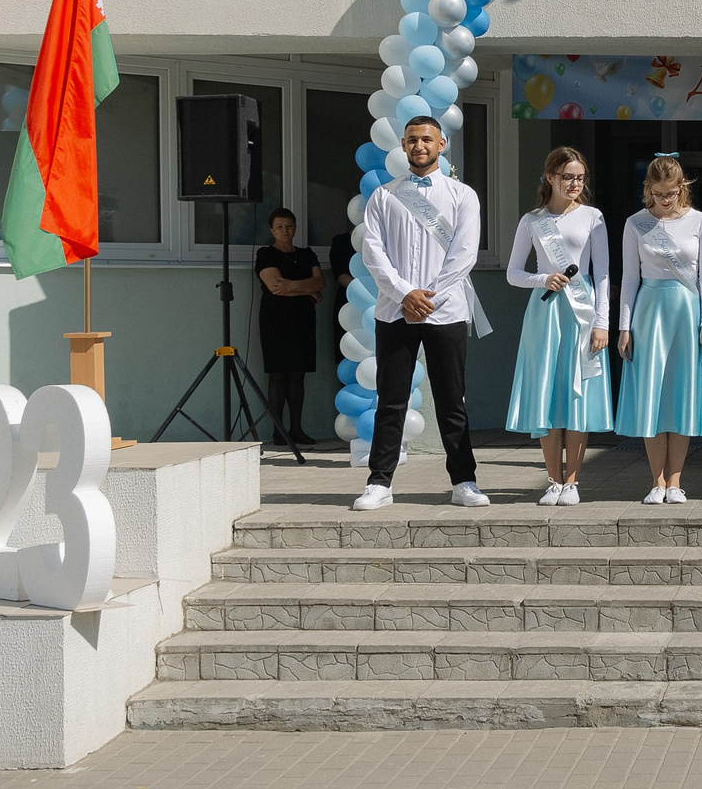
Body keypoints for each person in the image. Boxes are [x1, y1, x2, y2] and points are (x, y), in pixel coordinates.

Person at [353, 115, 486, 511]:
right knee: (390, 400)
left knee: (451, 400)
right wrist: (405, 293)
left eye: (427, 139)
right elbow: (373, 252)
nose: (419, 146)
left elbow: (464, 254)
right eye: (412, 140)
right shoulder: (384, 196)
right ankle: (379, 482)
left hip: (446, 312)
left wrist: (429, 298)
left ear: (441, 145)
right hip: (395, 311)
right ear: (403, 145)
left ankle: (464, 481)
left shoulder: (463, 195)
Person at [504, 147, 613, 505]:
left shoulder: (593, 217)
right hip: (546, 315)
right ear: (550, 177)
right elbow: (513, 273)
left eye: (580, 177)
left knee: (577, 393)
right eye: (567, 177)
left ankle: (573, 482)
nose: (575, 184)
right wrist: (542, 279)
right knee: (548, 394)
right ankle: (554, 480)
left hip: (583, 314)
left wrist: (603, 323)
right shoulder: (531, 220)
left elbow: (604, 273)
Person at [616, 155, 702, 504]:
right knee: (652, 395)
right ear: (648, 189)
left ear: (682, 188)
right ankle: (656, 481)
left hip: (687, 312)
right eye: (658, 193)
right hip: (649, 314)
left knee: (680, 395)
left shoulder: (701, 222)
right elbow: (630, 277)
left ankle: (675, 481)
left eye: (671, 193)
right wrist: (624, 326)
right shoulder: (635, 224)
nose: (665, 199)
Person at [253, 207, 324, 448]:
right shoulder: (266, 254)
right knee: (278, 375)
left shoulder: (306, 254)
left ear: (295, 228)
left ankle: (296, 429)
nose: (285, 231)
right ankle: (278, 430)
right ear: (272, 230)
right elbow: (275, 286)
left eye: (289, 226)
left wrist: (294, 287)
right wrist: (307, 290)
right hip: (276, 320)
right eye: (280, 227)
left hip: (302, 319)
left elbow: (320, 282)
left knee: (298, 375)